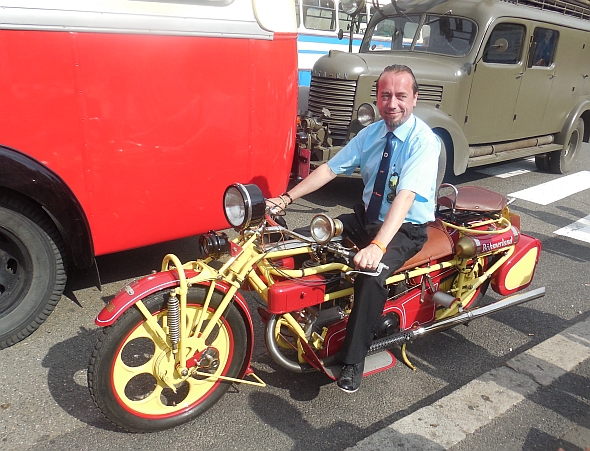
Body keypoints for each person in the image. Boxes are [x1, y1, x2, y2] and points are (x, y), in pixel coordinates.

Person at [267, 64, 440, 393]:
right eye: (385, 95)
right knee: (309, 237)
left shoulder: (423, 142)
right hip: (366, 218)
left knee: (371, 275)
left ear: (415, 99)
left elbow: (404, 197)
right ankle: (307, 314)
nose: (393, 103)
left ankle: (353, 359)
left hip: (404, 228)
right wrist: (285, 198)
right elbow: (330, 169)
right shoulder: (371, 134)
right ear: (377, 98)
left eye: (401, 96)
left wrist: (377, 246)